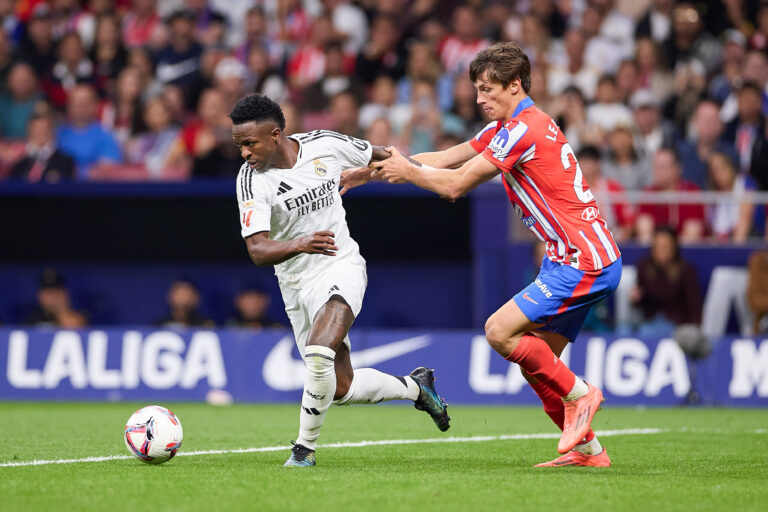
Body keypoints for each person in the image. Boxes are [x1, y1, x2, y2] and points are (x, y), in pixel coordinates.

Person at [343, 42, 621, 468]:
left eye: (487, 89)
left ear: (514, 85)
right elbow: (445, 158)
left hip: (582, 260)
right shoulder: (509, 127)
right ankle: (589, 452)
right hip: (575, 258)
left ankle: (583, 394)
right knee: (536, 362)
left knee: (498, 331)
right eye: (476, 89)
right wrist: (372, 171)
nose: (478, 98)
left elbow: (454, 185)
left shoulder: (523, 130)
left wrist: (410, 173)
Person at [230, 94, 450, 467]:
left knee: (319, 351)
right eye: (239, 145)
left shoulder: (325, 144)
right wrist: (301, 242)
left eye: (250, 143)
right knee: (339, 387)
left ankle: (303, 451)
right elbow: (257, 249)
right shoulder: (251, 181)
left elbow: (387, 157)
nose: (244, 153)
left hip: (340, 263)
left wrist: (418, 174)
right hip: (296, 284)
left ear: (276, 134)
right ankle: (417, 387)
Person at [630, 226, 702, 336]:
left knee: (647, 332)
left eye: (665, 247)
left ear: (674, 248)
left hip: (676, 325)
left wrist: (693, 330)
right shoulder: (644, 267)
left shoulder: (685, 270)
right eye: (657, 247)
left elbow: (694, 305)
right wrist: (637, 298)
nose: (661, 251)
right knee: (625, 329)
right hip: (649, 321)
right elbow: (641, 305)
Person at [11, 112, 75, 183]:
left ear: (52, 132)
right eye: (36, 130)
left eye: (44, 130)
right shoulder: (20, 164)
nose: (40, 133)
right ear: (29, 133)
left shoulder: (65, 162)